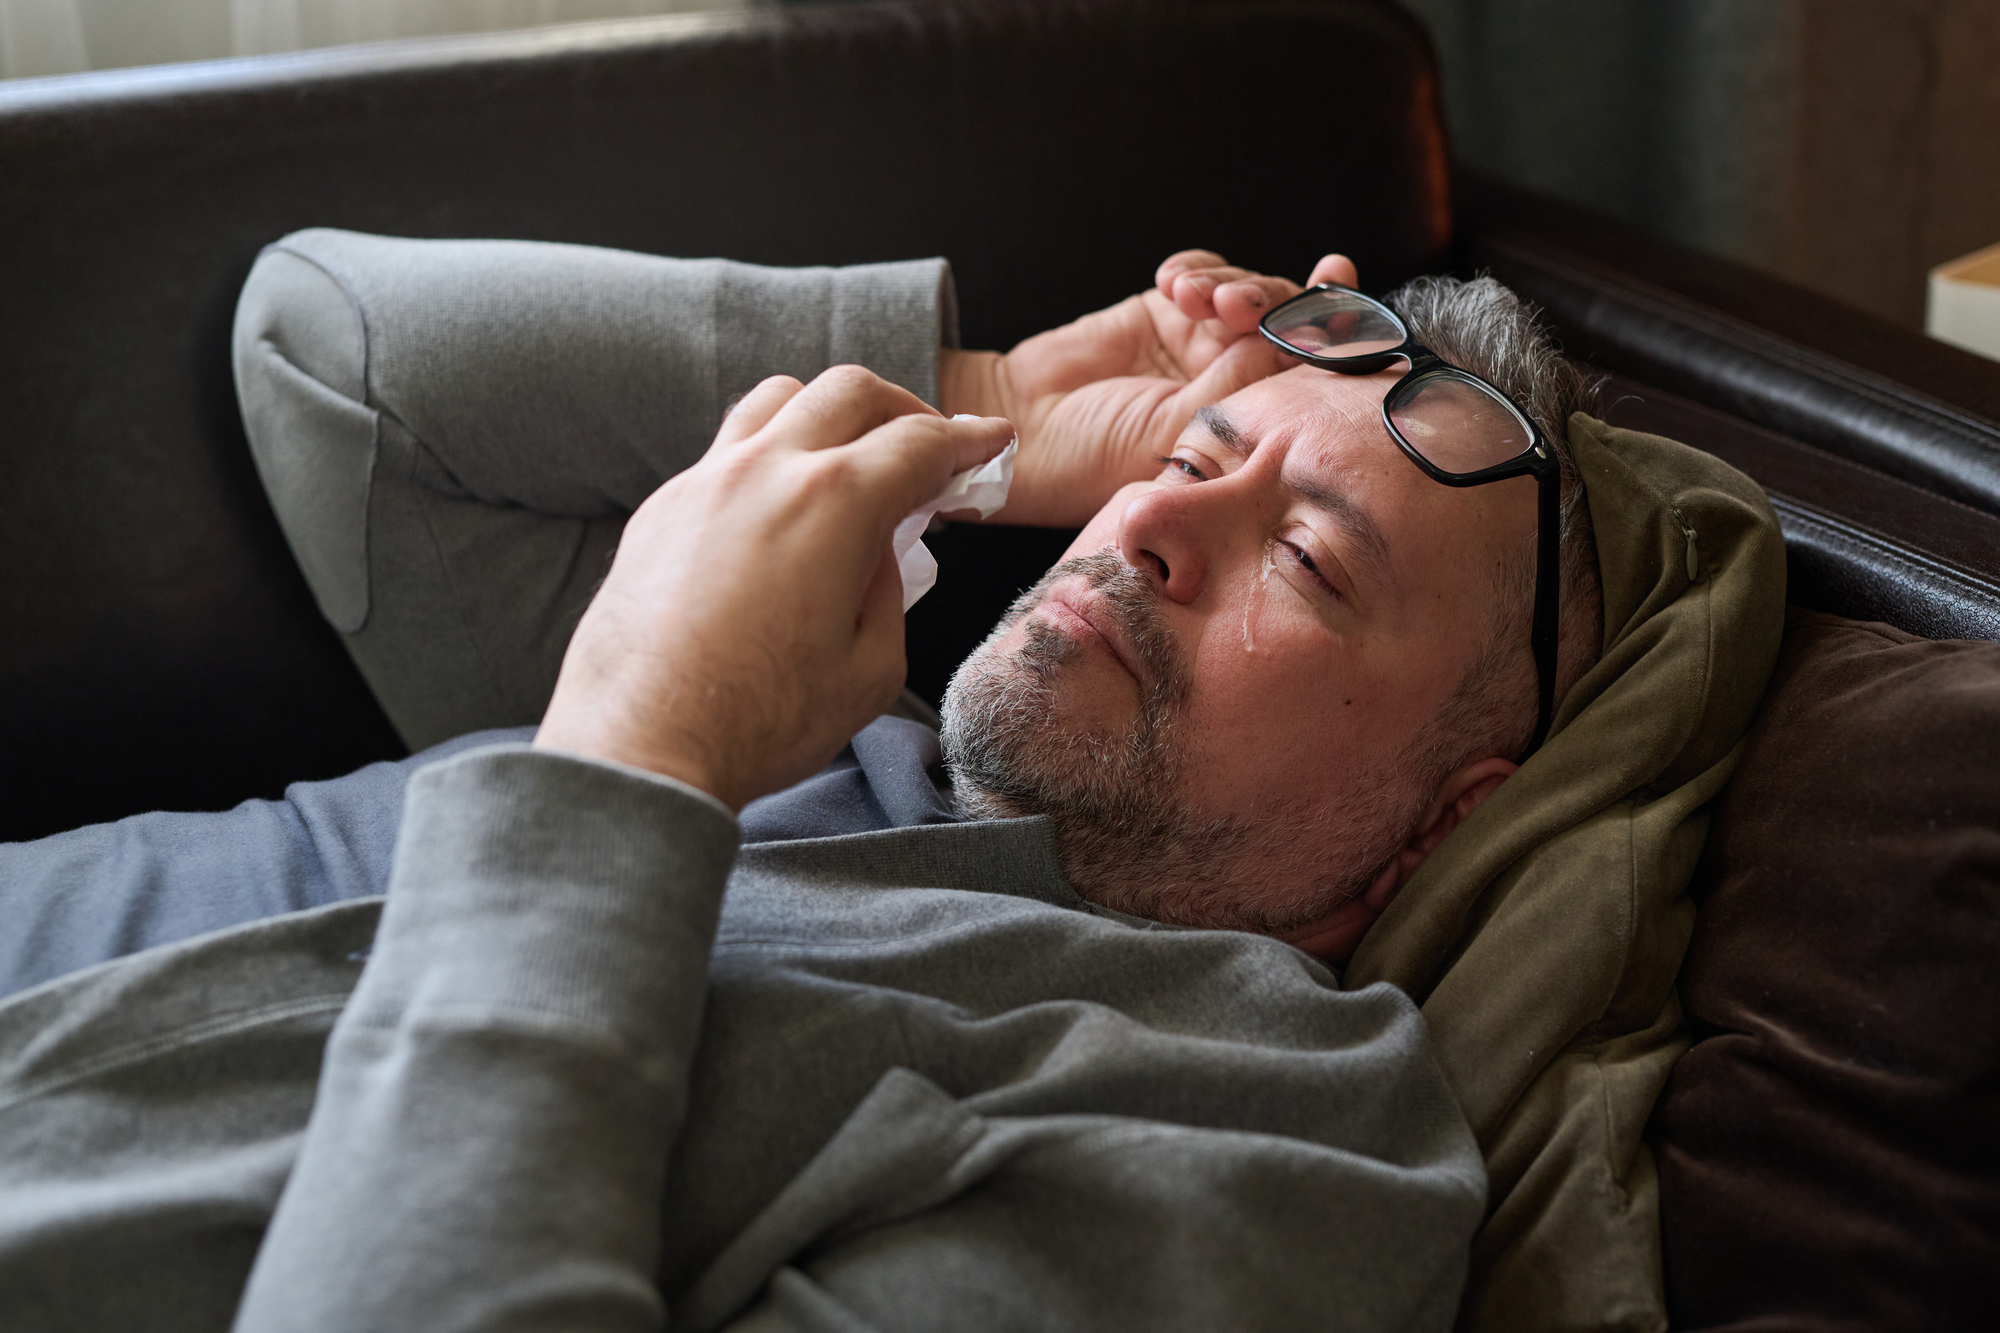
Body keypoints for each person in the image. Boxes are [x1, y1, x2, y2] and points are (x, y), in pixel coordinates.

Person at [0, 232, 1783, 1333]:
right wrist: (989, 409)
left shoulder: (1272, 1139)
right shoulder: (825, 703)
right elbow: (325, 354)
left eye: (1308, 561)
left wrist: (634, 749)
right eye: (1192, 459)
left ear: (1447, 815)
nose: (1148, 523)